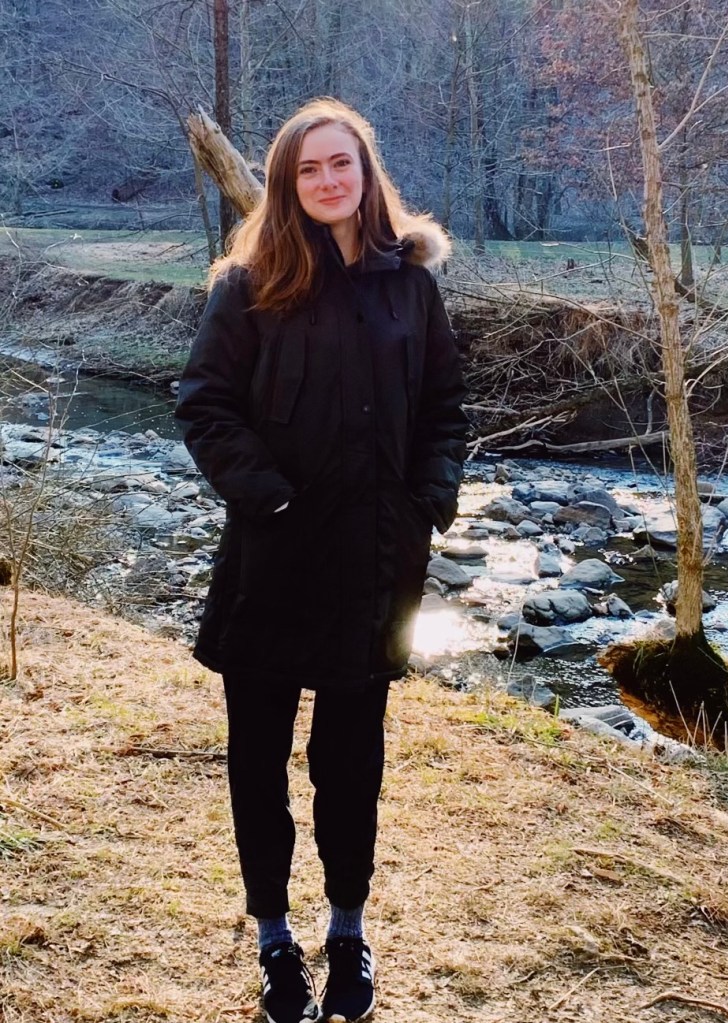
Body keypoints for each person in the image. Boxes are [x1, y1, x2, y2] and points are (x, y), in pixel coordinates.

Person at [175, 97, 468, 1023]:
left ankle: (348, 929)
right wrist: (268, 495)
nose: (328, 180)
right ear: (286, 183)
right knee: (257, 763)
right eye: (309, 168)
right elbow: (203, 403)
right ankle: (274, 939)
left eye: (343, 163)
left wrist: (429, 501)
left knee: (350, 765)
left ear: (367, 172)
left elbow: (446, 409)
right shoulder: (249, 282)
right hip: (272, 561)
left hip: (375, 568)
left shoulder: (410, 284)